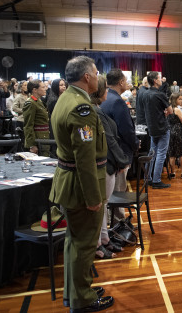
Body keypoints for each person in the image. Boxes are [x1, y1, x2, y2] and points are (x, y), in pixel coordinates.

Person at [50, 55, 114, 312]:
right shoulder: (81, 108)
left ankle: (75, 291)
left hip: (69, 181)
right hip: (81, 185)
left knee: (73, 241)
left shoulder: (68, 99)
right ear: (87, 77)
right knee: (85, 245)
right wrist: (93, 197)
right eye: (96, 72)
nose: (99, 76)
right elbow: (85, 159)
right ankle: (83, 299)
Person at [90, 75, 128, 259]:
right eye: (105, 89)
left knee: (103, 206)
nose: (107, 92)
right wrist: (122, 161)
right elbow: (109, 140)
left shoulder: (98, 109)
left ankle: (104, 239)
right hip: (105, 164)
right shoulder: (95, 112)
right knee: (100, 207)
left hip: (109, 164)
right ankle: (98, 244)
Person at [100, 69, 139, 221]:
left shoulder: (106, 97)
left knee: (112, 191)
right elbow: (126, 130)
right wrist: (136, 144)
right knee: (118, 191)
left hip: (109, 152)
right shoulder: (117, 101)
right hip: (119, 154)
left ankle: (113, 221)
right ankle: (118, 224)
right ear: (121, 82)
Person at [144, 72, 172, 189]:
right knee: (161, 153)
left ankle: (148, 178)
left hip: (151, 127)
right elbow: (170, 111)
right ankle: (156, 180)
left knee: (152, 153)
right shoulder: (160, 95)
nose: (161, 80)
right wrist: (164, 114)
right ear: (155, 80)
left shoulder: (145, 94)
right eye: (160, 78)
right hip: (162, 127)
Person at [23, 80, 50, 155]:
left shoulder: (38, 101)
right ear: (35, 90)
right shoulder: (30, 103)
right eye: (43, 87)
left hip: (43, 137)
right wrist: (32, 144)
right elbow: (28, 125)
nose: (45, 89)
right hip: (38, 139)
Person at [168, 93, 182, 179]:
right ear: (175, 100)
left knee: (172, 153)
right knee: (181, 153)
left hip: (171, 132)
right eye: (180, 99)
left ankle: (172, 173)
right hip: (178, 132)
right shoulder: (177, 109)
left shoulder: (169, 108)